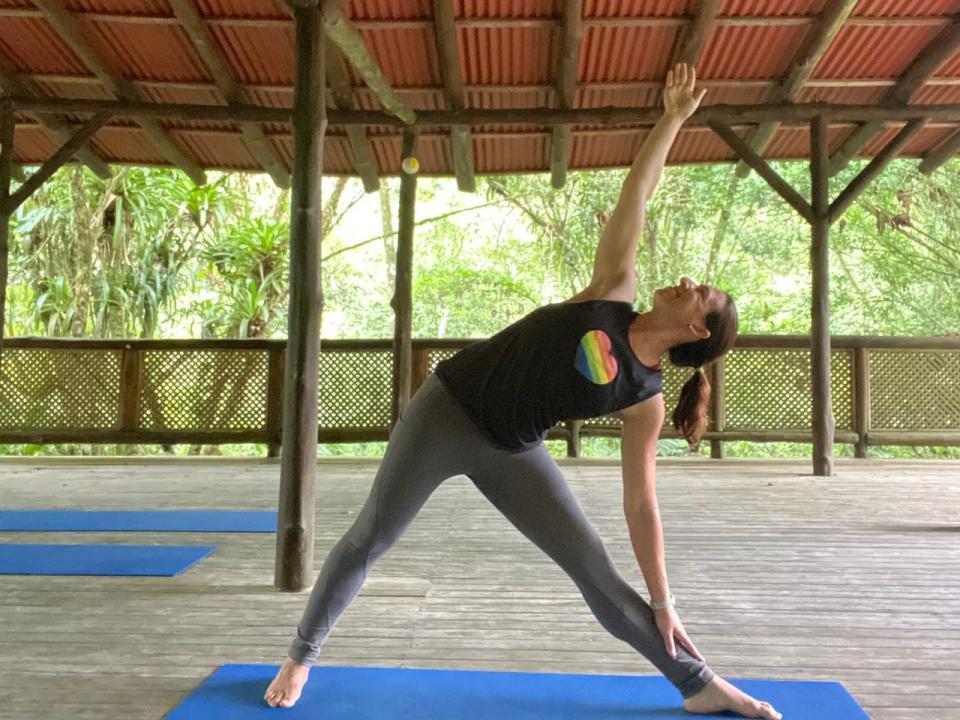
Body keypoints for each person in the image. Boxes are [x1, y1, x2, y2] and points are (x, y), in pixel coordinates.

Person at [265, 64, 781, 720]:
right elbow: (639, 191)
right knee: (371, 536)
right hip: (447, 409)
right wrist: (672, 117)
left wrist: (663, 597)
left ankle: (700, 685)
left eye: (699, 290)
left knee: (594, 569)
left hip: (513, 449)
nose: (686, 280)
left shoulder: (644, 400)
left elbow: (641, 507)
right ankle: (300, 655)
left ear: (698, 327)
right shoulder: (611, 292)